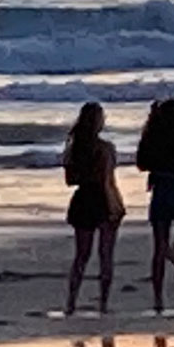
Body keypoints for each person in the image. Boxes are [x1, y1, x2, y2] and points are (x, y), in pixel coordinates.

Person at [135, 98, 174, 313]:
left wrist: (149, 126)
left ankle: (158, 299)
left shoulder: (153, 138)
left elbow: (141, 164)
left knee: (159, 246)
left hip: (162, 188)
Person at [62, 102, 126, 315]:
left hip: (83, 198)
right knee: (106, 255)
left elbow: (70, 180)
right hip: (103, 198)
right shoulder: (106, 149)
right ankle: (104, 303)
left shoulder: (75, 148)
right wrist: (117, 204)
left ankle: (71, 301)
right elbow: (109, 180)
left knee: (81, 255)